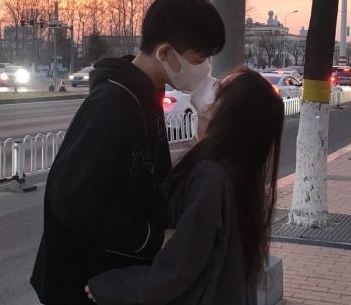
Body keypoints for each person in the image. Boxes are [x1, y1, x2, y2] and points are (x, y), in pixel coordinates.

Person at [30, 0, 225, 305]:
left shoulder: (146, 95)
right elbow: (70, 197)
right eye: (198, 59)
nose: (205, 69)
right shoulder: (113, 103)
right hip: (84, 283)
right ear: (165, 53)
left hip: (113, 275)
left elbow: (146, 178)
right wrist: (152, 239)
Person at [85, 66, 285, 305]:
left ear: (231, 112)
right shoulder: (238, 170)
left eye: (220, 88)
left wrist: (110, 286)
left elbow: (180, 267)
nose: (210, 87)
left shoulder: (211, 176)